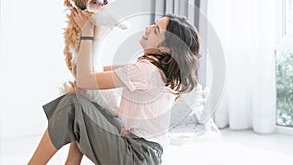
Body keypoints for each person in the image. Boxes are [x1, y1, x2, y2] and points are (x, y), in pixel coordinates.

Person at [28, 9, 201, 165]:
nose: (148, 28)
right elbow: (96, 71)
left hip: (136, 155)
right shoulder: (153, 70)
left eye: (156, 30)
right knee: (85, 108)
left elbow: (85, 79)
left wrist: (87, 33)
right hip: (146, 155)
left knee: (73, 104)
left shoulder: (145, 71)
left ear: (165, 49)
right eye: (154, 24)